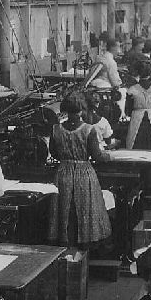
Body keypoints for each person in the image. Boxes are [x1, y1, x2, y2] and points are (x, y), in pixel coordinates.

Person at [47, 97, 112, 248]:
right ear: (81, 111)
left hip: (63, 172)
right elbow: (97, 155)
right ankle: (84, 242)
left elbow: (53, 152)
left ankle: (66, 241)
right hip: (84, 174)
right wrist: (109, 156)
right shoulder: (89, 129)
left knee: (65, 207)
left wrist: (67, 158)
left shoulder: (56, 129)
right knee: (84, 207)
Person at [124, 60, 151, 150]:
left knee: (135, 144)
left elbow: (128, 110)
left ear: (138, 72)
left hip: (137, 119)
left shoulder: (132, 90)